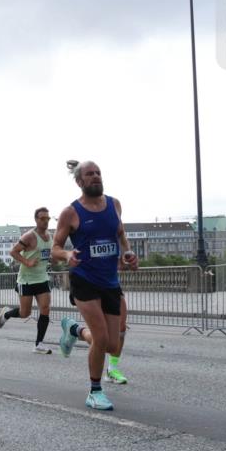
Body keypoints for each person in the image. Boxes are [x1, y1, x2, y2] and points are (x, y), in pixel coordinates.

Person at [53, 160, 138, 410]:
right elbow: (55, 247)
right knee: (100, 338)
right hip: (84, 280)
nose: (95, 177)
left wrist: (128, 252)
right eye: (90, 174)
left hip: (110, 281)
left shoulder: (114, 204)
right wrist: (68, 256)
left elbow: (120, 234)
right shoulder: (71, 212)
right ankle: (95, 391)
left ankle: (74, 331)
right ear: (80, 181)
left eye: (98, 173)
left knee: (112, 344)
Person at [0, 207, 54, 353]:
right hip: (26, 280)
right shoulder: (29, 236)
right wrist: (27, 262)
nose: (46, 221)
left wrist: (54, 258)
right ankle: (6, 315)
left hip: (42, 278)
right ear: (36, 219)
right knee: (25, 313)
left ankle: (39, 344)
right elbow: (13, 251)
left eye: (47, 218)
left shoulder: (50, 236)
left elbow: (48, 254)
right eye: (42, 218)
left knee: (46, 308)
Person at [106, 295, 130, 383]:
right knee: (100, 335)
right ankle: (76, 331)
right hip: (91, 288)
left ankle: (112, 369)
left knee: (121, 328)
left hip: (112, 286)